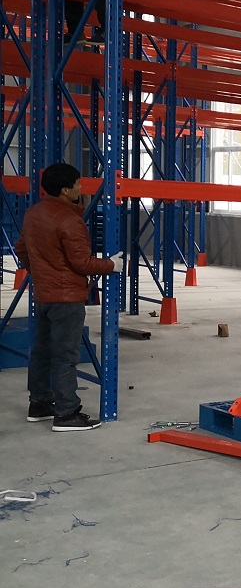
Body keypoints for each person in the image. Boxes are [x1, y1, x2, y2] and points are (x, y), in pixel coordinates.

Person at [14, 164, 123, 431]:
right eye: (77, 183)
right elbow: (81, 263)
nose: (81, 187)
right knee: (65, 355)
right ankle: (66, 414)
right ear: (65, 190)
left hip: (44, 294)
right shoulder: (69, 221)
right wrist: (111, 265)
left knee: (41, 351)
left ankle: (39, 404)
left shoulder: (33, 214)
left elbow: (21, 249)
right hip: (67, 298)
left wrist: (41, 272)